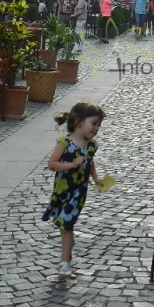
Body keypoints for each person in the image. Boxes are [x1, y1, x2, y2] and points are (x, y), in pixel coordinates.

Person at [42, 102, 105, 280]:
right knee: (65, 227)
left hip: (78, 193)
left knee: (66, 224)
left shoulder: (91, 146)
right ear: (78, 122)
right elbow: (52, 164)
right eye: (94, 123)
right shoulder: (64, 143)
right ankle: (67, 258)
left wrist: (96, 179)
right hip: (62, 191)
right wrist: (71, 164)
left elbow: (90, 163)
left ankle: (64, 265)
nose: (96, 128)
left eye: (99, 125)